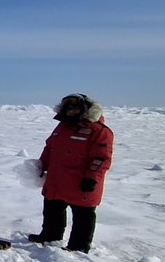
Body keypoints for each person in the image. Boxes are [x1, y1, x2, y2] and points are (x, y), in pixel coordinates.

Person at [30, 93, 113, 253]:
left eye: (75, 108)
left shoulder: (98, 131)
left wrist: (92, 178)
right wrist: (40, 166)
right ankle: (50, 236)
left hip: (81, 181)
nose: (70, 111)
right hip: (57, 179)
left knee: (83, 215)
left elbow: (101, 158)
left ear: (84, 109)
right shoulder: (62, 127)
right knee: (52, 209)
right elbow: (50, 148)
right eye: (68, 108)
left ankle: (78, 247)